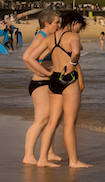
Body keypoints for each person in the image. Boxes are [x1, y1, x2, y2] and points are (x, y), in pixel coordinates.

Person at [39, 10, 92, 167]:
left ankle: (42, 159)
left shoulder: (50, 38)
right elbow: (75, 51)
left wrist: (42, 71)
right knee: (69, 124)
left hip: (54, 78)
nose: (78, 31)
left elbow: (31, 57)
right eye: (79, 27)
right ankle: (74, 161)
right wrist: (72, 64)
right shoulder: (73, 36)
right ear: (74, 23)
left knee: (52, 122)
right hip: (68, 79)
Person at [21, 9, 62, 165]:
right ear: (47, 23)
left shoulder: (47, 37)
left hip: (45, 82)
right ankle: (29, 156)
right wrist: (45, 73)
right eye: (57, 22)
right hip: (40, 83)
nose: (59, 25)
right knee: (41, 120)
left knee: (51, 119)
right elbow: (28, 57)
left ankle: (49, 152)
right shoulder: (41, 37)